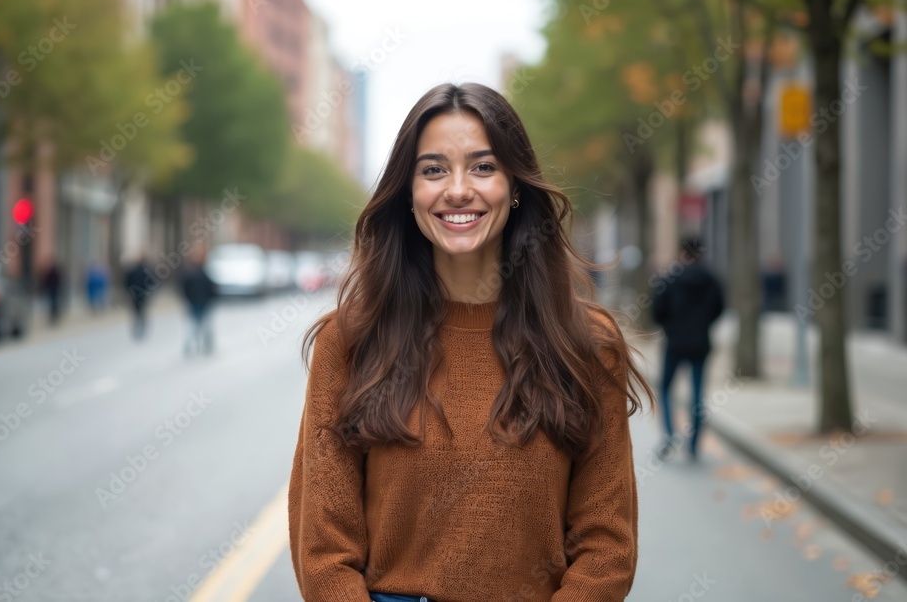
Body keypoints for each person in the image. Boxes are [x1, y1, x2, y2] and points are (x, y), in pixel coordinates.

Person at [287, 83, 655, 601]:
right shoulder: (349, 341)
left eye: (483, 167)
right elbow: (324, 554)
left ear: (516, 185)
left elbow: (607, 547)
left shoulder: (586, 345)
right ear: (408, 194)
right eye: (434, 169)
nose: (458, 189)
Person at [650, 237, 725, 462]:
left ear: (682, 252)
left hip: (674, 343)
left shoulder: (669, 279)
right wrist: (702, 325)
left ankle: (671, 435)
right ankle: (693, 446)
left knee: (664, 388)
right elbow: (719, 309)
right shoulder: (712, 280)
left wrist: (671, 327)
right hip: (700, 343)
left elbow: (656, 312)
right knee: (697, 395)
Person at [179, 245, 217, 355]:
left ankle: (204, 344)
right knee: (194, 324)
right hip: (195, 303)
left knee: (201, 325)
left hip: (202, 303)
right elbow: (185, 287)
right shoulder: (192, 272)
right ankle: (193, 344)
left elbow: (211, 288)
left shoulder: (204, 271)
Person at [123, 256, 153, 339]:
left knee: (137, 313)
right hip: (142, 295)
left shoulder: (132, 271)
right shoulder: (146, 271)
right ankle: (141, 328)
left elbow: (127, 283)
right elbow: (151, 283)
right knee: (141, 312)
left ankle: (138, 328)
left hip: (135, 295)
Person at [40, 259, 63, 324]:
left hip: (54, 290)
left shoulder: (54, 272)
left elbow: (58, 281)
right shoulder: (52, 272)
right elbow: (46, 281)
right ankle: (54, 315)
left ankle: (54, 315)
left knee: (54, 303)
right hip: (52, 290)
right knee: (53, 303)